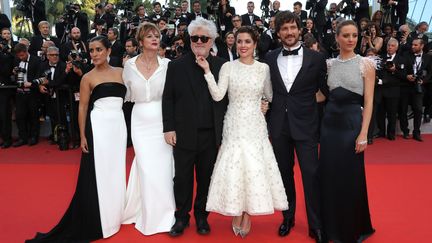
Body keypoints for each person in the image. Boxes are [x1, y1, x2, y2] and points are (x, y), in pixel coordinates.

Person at [25, 36, 127, 242]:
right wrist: (81, 135)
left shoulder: (122, 73)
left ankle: (115, 212)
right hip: (97, 127)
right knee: (97, 172)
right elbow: (82, 107)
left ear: (108, 51)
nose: (95, 54)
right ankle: (100, 217)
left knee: (115, 170)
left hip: (118, 127)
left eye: (99, 49)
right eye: (91, 50)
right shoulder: (87, 78)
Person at [201, 26, 288, 238]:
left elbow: (269, 94)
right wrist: (206, 72)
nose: (242, 45)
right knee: (236, 167)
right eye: (239, 41)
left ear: (255, 44)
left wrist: (264, 103)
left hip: (255, 124)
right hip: (234, 123)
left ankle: (247, 212)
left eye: (247, 41)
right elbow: (218, 95)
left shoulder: (263, 69)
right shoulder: (227, 67)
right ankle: (236, 209)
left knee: (253, 167)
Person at [265, 11, 328, 243]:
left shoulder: (316, 58)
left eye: (292, 27)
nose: (289, 32)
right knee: (284, 175)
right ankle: (288, 217)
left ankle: (316, 225)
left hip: (307, 126)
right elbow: (267, 91)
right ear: (278, 32)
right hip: (279, 127)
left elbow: (326, 92)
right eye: (284, 29)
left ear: (299, 29)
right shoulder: (269, 58)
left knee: (311, 175)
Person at [162, 17, 228, 237]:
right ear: (189, 40)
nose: (199, 41)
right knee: (182, 178)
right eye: (194, 38)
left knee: (206, 177)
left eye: (204, 38)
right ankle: (181, 217)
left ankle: (201, 216)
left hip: (210, 134)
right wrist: (168, 128)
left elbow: (227, 99)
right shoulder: (176, 65)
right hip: (183, 133)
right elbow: (168, 99)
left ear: (212, 41)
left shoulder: (221, 66)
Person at [320, 20, 376, 243]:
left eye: (354, 35)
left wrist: (364, 134)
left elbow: (369, 102)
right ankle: (330, 227)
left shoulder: (366, 64)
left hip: (351, 124)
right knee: (329, 175)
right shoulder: (330, 64)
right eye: (346, 35)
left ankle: (351, 228)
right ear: (337, 37)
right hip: (329, 125)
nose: (351, 39)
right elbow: (325, 95)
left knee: (350, 177)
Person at [122, 23, 176, 235]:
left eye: (157, 35)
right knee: (145, 167)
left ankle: (166, 214)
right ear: (140, 41)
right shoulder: (129, 66)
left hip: (163, 122)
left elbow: (173, 96)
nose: (155, 39)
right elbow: (123, 94)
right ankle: (146, 212)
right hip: (140, 122)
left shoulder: (168, 65)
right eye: (149, 36)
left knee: (163, 169)